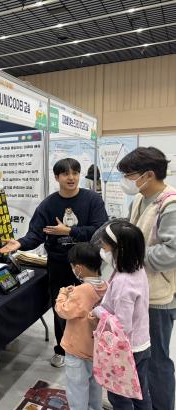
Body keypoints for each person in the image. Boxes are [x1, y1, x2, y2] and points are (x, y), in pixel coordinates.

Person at [0, 158, 108, 367]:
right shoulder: (48, 205)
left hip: (89, 266)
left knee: (92, 308)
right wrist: (20, 243)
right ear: (57, 177)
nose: (71, 177)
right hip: (59, 264)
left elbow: (100, 230)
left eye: (75, 173)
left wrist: (70, 231)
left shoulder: (93, 200)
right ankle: (62, 349)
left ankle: (92, 348)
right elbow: (35, 234)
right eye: (66, 174)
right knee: (62, 307)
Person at [116, 146, 176, 410]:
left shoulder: (170, 204)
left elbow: (172, 252)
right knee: (139, 357)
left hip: (158, 296)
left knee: (157, 361)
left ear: (148, 175)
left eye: (129, 175)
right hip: (138, 291)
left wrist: (133, 253)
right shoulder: (141, 200)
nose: (126, 181)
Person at [92, 221, 151, 409]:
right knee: (140, 391)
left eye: (105, 247)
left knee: (119, 396)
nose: (102, 251)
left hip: (126, 350)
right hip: (142, 343)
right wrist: (109, 291)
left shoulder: (123, 282)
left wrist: (98, 310)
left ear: (120, 250)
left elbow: (122, 325)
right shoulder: (137, 269)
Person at [55, 243, 107, 410]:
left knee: (76, 388)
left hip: (77, 349)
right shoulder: (106, 286)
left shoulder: (81, 291)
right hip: (96, 349)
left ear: (78, 268)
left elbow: (63, 311)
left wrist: (63, 294)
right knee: (95, 386)